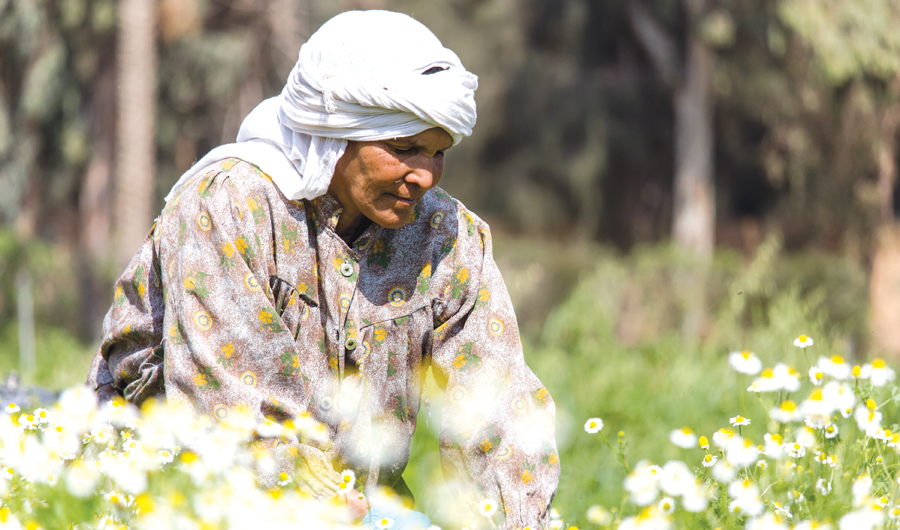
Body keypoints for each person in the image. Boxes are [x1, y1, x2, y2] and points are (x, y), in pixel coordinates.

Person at [86, 10, 559, 528]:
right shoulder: (230, 207)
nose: (424, 175)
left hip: (361, 508)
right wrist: (323, 504)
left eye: (438, 152)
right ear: (336, 134)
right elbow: (235, 409)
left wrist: (511, 517)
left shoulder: (445, 238)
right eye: (404, 149)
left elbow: (496, 409)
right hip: (179, 499)